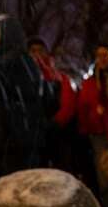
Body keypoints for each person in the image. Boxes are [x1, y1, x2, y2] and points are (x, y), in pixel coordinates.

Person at [0, 15, 55, 180]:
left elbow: (19, 94)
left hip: (19, 142)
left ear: (7, 34)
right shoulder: (0, 62)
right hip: (1, 144)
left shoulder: (21, 61)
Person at [77, 44, 108, 207]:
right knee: (106, 174)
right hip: (99, 133)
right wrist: (90, 123)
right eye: (98, 55)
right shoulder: (90, 83)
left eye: (106, 54)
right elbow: (83, 108)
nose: (102, 59)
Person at [28, 36, 78, 174]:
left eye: (40, 50)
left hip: (58, 133)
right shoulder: (24, 79)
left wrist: (56, 122)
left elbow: (68, 103)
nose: (37, 54)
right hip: (34, 136)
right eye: (33, 51)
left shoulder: (60, 78)